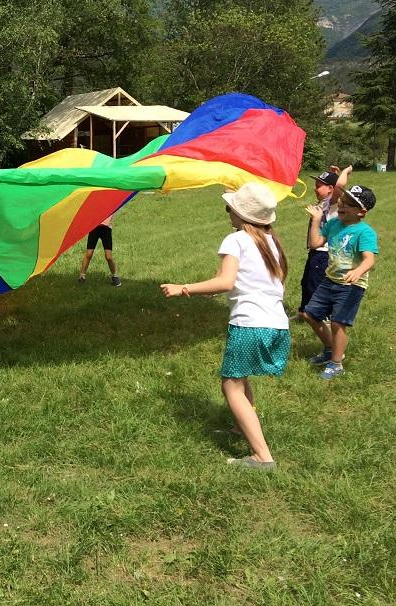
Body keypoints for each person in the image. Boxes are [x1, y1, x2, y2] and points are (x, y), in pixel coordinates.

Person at [161, 183, 290, 472]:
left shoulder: (236, 240)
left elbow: (226, 282)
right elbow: (246, 281)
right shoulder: (271, 241)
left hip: (249, 325)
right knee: (241, 378)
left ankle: (262, 457)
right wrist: (212, 290)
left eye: (230, 207)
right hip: (276, 324)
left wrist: (184, 288)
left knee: (230, 385)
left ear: (241, 215)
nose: (227, 211)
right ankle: (239, 427)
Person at [301, 183, 378, 380]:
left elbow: (369, 258)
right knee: (309, 314)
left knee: (338, 323)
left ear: (361, 212)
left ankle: (336, 364)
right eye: (342, 201)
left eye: (349, 204)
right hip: (330, 280)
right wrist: (316, 220)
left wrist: (358, 271)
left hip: (351, 285)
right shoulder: (334, 224)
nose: (342, 205)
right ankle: (329, 350)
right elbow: (315, 243)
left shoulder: (364, 232)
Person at [296, 166, 348, 317]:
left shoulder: (334, 204)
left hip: (323, 253)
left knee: (315, 285)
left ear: (330, 189)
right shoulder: (326, 202)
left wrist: (346, 171)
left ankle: (319, 316)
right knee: (306, 283)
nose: (315, 189)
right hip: (315, 252)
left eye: (318, 186)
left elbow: (339, 186)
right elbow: (335, 186)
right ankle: (305, 312)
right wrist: (333, 174)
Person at [79, 215, 121, 286]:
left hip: (106, 230)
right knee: (89, 254)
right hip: (94, 228)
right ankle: (82, 276)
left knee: (109, 257)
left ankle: (114, 276)